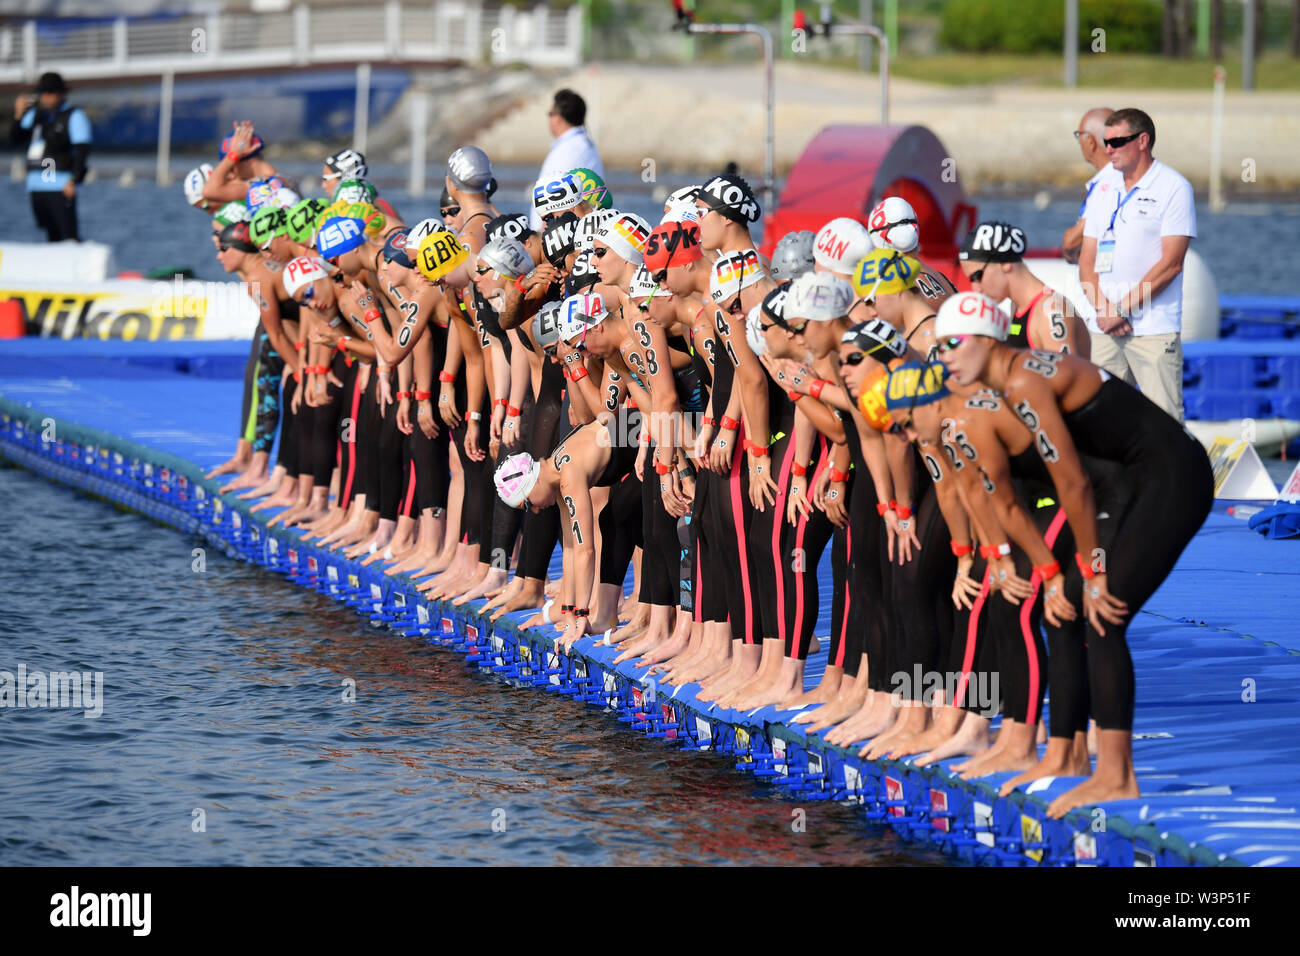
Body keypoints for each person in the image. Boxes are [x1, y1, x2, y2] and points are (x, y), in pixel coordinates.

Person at [1078, 108, 1195, 422]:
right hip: (1103, 327)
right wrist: (1105, 310)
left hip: (1153, 329)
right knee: (1098, 421)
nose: (1108, 150)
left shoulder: (1174, 187)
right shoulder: (1101, 189)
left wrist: (1122, 309)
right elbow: (1086, 261)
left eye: (1117, 142)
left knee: (1166, 423)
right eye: (1106, 142)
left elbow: (1171, 264)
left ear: (1142, 141)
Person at [9, 72, 91, 242]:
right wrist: (18, 114)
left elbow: (82, 151)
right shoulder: (35, 115)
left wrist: (74, 180)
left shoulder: (73, 116)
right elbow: (15, 139)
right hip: (36, 186)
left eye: (51, 92)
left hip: (59, 184)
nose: (46, 97)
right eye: (43, 92)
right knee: (51, 235)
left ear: (61, 93)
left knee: (68, 236)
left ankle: (81, 264)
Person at [530, 89, 603, 230]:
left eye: (550, 114)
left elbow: (554, 196)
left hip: (560, 236)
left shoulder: (570, 150)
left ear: (558, 117)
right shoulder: (584, 144)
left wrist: (543, 239)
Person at [1061, 107, 1116, 264]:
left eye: (1079, 136)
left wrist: (1070, 236)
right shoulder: (1128, 175)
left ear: (1091, 141)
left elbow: (1071, 243)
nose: (1079, 142)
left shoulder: (1109, 182)